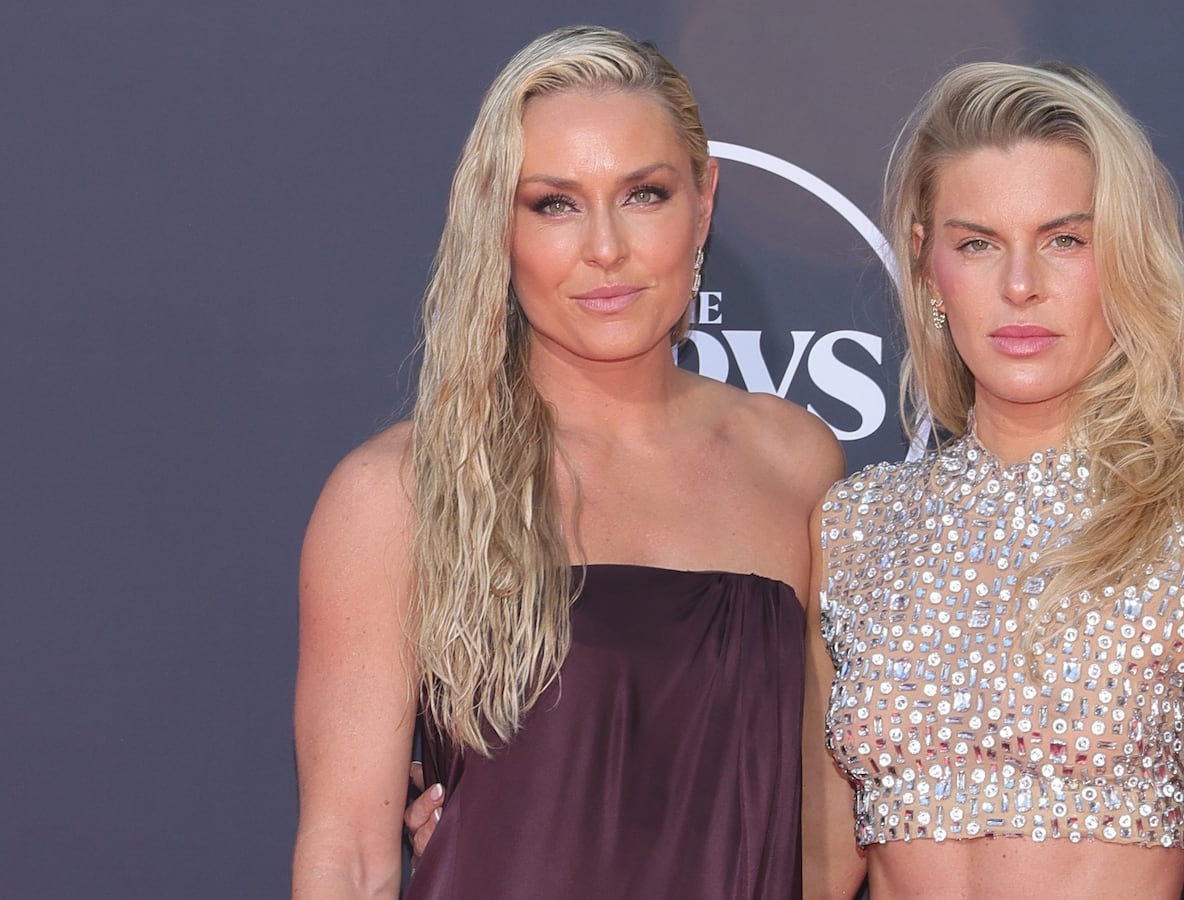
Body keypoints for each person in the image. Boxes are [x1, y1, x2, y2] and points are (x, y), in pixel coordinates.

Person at [290, 24, 841, 900]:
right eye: (554, 203)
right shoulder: (399, 492)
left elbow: (825, 838)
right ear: (497, 225)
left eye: (644, 194)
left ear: (704, 201)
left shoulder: (798, 466)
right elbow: (349, 854)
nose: (605, 249)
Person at [800, 62, 1184, 899]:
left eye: (1065, 240)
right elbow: (815, 872)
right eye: (978, 243)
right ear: (928, 270)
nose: (1021, 285)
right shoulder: (854, 526)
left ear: (1126, 260)